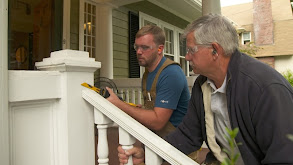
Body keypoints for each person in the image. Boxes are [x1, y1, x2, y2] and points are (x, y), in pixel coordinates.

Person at [117, 14, 293, 165]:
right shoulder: (203, 85)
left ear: (215, 50)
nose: (186, 57)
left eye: (191, 50)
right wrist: (148, 154)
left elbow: (283, 156)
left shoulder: (263, 88)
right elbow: (187, 136)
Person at [106, 25, 190, 137]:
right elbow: (154, 110)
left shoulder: (171, 73)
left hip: (178, 148)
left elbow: (157, 122)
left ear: (160, 49)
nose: (139, 52)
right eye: (137, 47)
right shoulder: (148, 74)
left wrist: (119, 104)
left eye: (145, 47)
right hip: (159, 143)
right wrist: (143, 110)